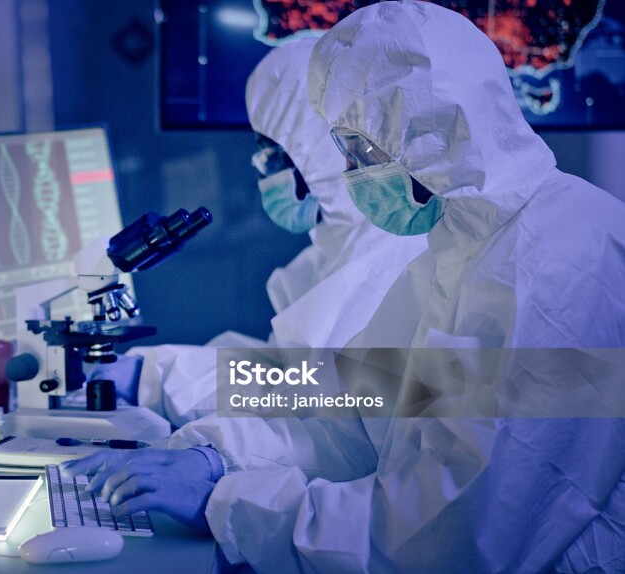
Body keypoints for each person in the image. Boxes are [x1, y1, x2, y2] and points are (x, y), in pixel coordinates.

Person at [64, 2, 625, 572]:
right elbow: (353, 413)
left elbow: (449, 539)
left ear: (430, 136)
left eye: (359, 150)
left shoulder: (557, 262)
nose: (351, 172)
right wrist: (217, 458)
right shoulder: (458, 249)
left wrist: (224, 497)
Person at [123, 35, 426, 428]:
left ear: (314, 150)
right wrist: (148, 374)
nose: (263, 168)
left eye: (269, 151)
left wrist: (197, 442)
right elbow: (276, 371)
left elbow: (304, 417)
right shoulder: (335, 250)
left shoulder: (383, 263)